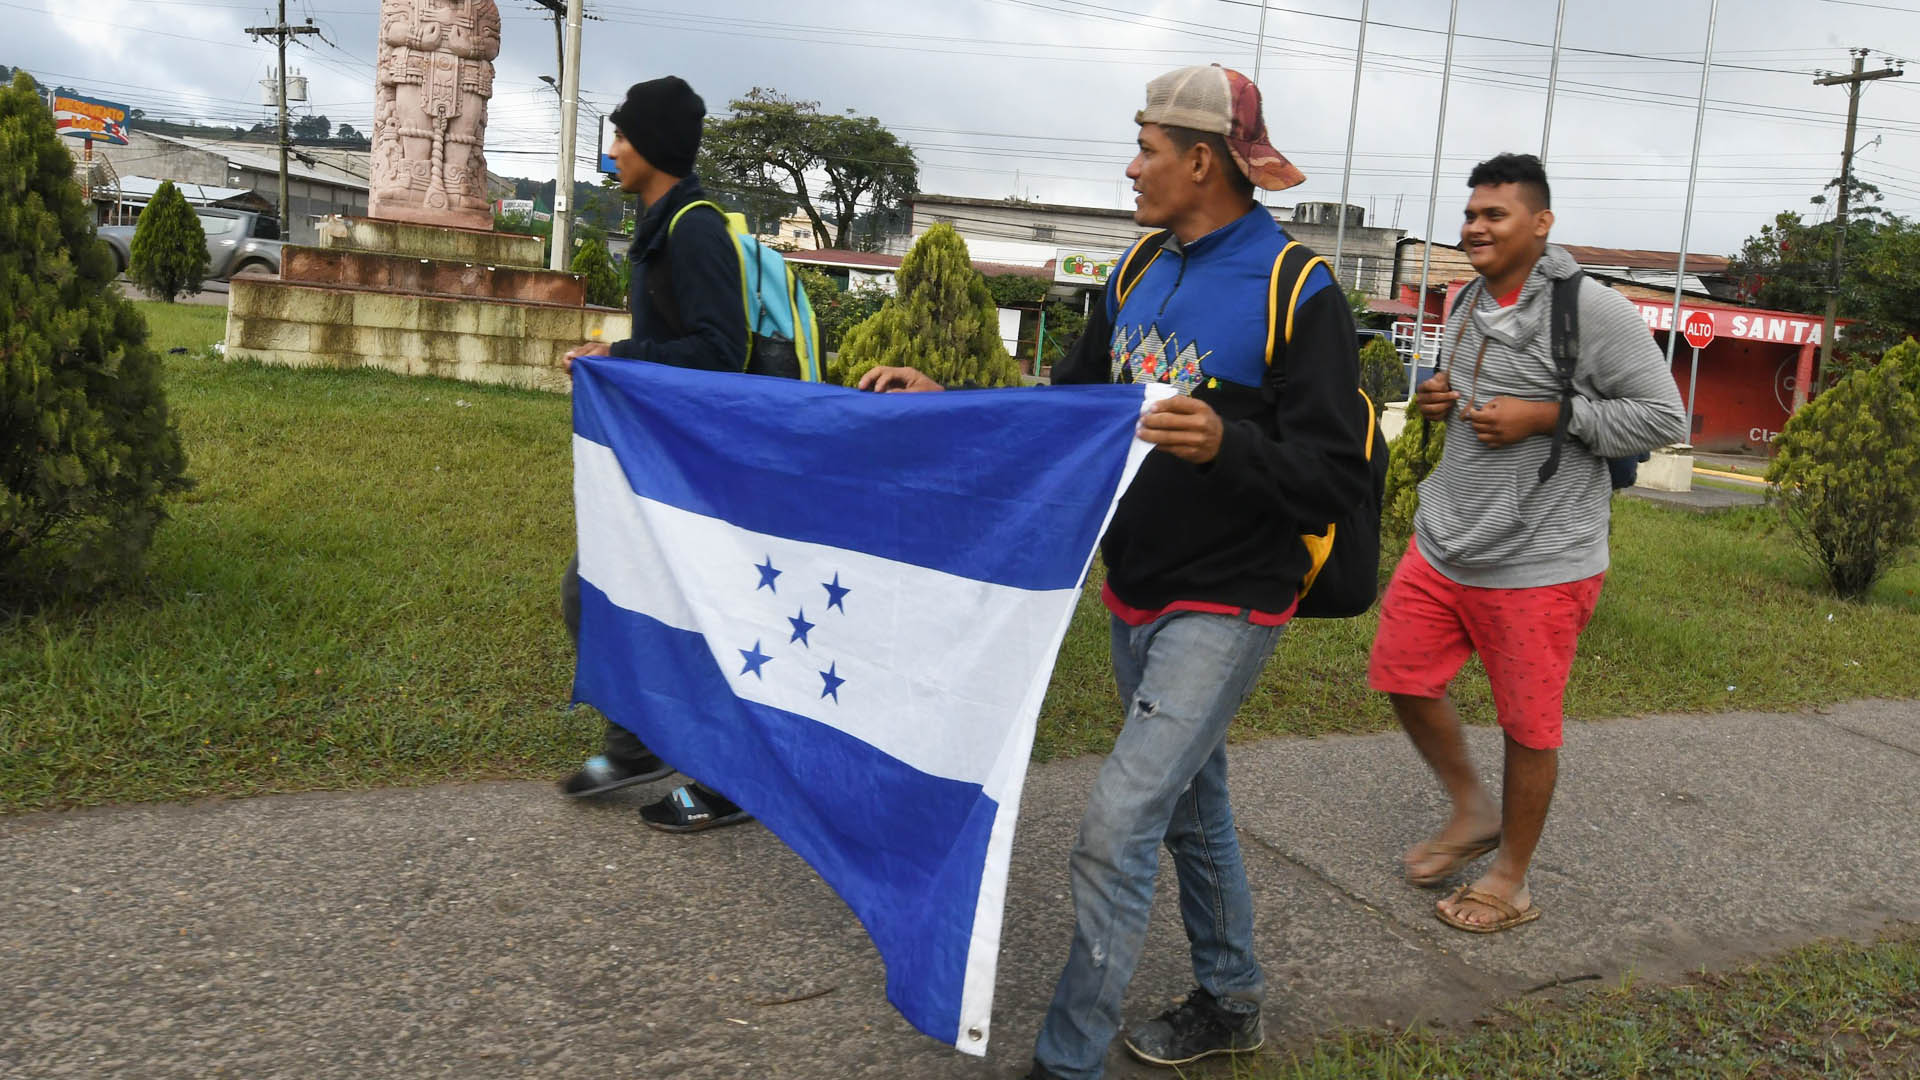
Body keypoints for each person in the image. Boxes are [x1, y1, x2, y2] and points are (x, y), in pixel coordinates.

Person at [861, 64, 1368, 1080]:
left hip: (1231, 595)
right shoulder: (1136, 268)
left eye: (1145, 148)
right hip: (1135, 585)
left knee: (1118, 822)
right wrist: (947, 395)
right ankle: (1232, 999)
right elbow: (1069, 414)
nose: (1130, 166)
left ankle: (1068, 1059)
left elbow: (1333, 479)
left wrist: (1227, 440)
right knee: (1189, 803)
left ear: (1201, 160)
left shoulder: (1296, 289)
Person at [1368, 153, 1686, 932]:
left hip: (1542, 556)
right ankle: (1473, 809)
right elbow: (1467, 392)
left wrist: (1548, 416)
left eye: (1495, 215)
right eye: (1471, 214)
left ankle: (1511, 877)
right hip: (1447, 537)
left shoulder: (1593, 310)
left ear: (1540, 224)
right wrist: (1439, 399)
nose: (1475, 227)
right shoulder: (1467, 299)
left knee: (1528, 724)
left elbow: (1664, 418)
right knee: (1402, 675)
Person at [556, 75, 753, 834]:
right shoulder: (661, 221)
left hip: (705, 461)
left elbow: (722, 349)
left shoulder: (695, 228)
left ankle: (728, 775)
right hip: (664, 453)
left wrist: (621, 355)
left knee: (702, 615)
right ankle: (636, 746)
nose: (614, 149)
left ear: (655, 147)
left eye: (623, 136)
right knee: (595, 588)